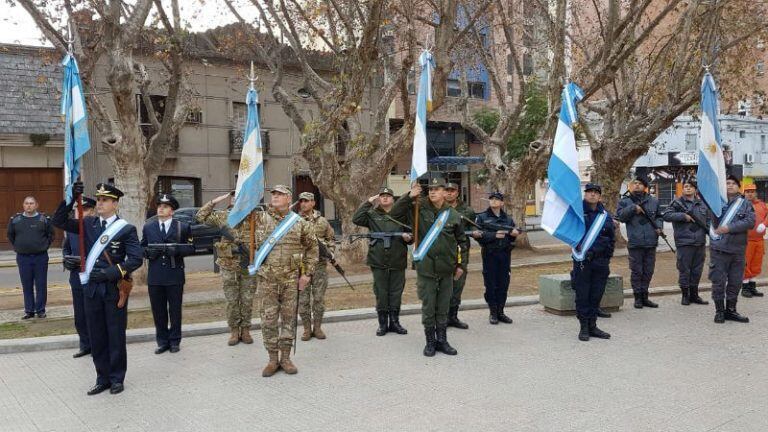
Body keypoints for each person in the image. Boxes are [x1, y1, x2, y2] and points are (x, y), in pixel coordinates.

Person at [53, 182, 143, 395]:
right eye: (99, 199)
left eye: (105, 200)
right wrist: (71, 200)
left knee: (115, 334)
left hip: (113, 289)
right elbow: (58, 221)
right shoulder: (88, 223)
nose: (100, 203)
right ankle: (102, 377)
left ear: (115, 203)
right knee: (97, 335)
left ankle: (117, 378)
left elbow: (136, 259)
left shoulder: (125, 229)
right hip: (91, 289)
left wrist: (109, 273)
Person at [390, 178, 468, 357]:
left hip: (447, 269)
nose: (432, 192)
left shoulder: (453, 214)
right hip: (426, 268)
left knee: (443, 305)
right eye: (430, 189)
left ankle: (442, 340)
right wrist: (409, 196)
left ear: (444, 192)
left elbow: (462, 242)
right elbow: (395, 214)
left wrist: (461, 265)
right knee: (429, 306)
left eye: (437, 189)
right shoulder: (418, 208)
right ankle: (430, 342)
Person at [252, 185, 318, 377]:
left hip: (291, 280)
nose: (275, 197)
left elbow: (313, 249)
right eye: (273, 194)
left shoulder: (300, 223)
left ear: (289, 199)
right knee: (268, 320)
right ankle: (273, 359)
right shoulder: (259, 218)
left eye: (279, 194)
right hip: (267, 280)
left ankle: (286, 358)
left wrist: (307, 275)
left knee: (289, 319)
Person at [195, 191, 258, 346]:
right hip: (229, 265)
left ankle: (246, 330)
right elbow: (200, 217)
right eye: (233, 197)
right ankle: (234, 331)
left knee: (247, 299)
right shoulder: (223, 216)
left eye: (241, 196)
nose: (236, 199)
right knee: (231, 300)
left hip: (248, 264)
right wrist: (214, 202)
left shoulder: (254, 217)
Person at [352, 187, 413, 336]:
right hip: (378, 259)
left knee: (396, 292)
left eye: (388, 196)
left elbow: (412, 233)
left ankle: (395, 322)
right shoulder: (372, 214)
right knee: (381, 292)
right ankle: (382, 324)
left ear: (393, 199)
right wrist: (368, 202)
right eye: (382, 196)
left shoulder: (402, 214)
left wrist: (409, 238)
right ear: (379, 198)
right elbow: (356, 218)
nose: (385, 198)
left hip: (397, 258)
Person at [141, 194, 195, 354]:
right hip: (155, 276)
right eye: (159, 206)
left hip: (174, 275)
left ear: (172, 210)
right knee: (158, 311)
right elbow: (141, 247)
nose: (161, 208)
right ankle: (162, 341)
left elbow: (191, 248)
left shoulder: (182, 227)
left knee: (175, 310)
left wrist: (177, 249)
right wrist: (148, 253)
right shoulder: (148, 227)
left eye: (165, 206)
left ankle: (175, 341)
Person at [570, 184, 615, 341]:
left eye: (596, 193)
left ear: (600, 197)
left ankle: (593, 326)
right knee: (583, 296)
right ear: (585, 195)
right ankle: (583, 327)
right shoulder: (576, 213)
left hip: (601, 262)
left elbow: (611, 238)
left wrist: (607, 256)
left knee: (596, 294)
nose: (593, 195)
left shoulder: (605, 216)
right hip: (583, 262)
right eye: (590, 192)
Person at [709, 175, 755, 324]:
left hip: (737, 251)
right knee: (718, 282)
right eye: (727, 183)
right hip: (719, 250)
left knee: (735, 282)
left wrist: (729, 227)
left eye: (733, 183)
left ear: (738, 186)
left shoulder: (745, 204)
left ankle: (731, 310)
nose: (730, 185)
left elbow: (750, 221)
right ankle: (719, 311)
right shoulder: (716, 203)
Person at [471, 191, 518, 324]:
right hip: (490, 254)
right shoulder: (482, 217)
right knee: (491, 284)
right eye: (491, 199)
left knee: (504, 284)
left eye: (497, 199)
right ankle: (493, 312)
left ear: (502, 202)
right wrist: (493, 236)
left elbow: (512, 235)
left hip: (504, 255)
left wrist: (514, 234)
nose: (493, 201)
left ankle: (501, 312)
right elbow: (477, 235)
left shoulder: (508, 219)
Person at [616, 176, 662, 309]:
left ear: (645, 186)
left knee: (648, 271)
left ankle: (645, 297)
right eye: (634, 183)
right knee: (637, 271)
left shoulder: (653, 201)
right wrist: (633, 209)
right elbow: (621, 217)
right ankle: (637, 298)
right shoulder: (625, 201)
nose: (637, 185)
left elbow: (659, 216)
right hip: (635, 242)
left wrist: (659, 227)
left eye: (640, 183)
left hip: (651, 242)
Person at [662, 180, 710, 305]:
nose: (688, 188)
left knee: (697, 270)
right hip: (684, 242)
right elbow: (666, 215)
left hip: (700, 242)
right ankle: (685, 295)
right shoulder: (677, 203)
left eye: (691, 187)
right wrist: (683, 216)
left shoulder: (702, 204)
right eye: (686, 187)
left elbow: (708, 221)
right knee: (684, 270)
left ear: (695, 190)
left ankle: (694, 295)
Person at [7, 196, 54, 319]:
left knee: (41, 285)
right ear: (23, 205)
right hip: (23, 258)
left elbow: (51, 235)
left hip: (40, 257)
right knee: (26, 285)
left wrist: (43, 246)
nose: (29, 206)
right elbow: (11, 235)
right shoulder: (15, 220)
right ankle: (29, 310)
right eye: (26, 203)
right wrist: (20, 246)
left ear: (36, 205)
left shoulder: (43, 219)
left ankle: (40, 310)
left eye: (31, 203)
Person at [297, 192, 335, 341]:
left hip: (319, 266)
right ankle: (306, 329)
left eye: (306, 201)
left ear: (313, 203)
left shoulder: (323, 222)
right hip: (302, 267)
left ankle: (317, 327)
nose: (303, 204)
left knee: (318, 298)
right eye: (301, 201)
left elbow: (331, 239)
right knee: (303, 300)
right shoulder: (295, 221)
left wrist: (329, 252)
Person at [62, 197, 96, 358]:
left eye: (86, 210)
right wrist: (67, 259)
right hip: (76, 276)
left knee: (94, 313)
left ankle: (97, 345)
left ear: (92, 211)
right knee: (80, 314)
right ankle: (85, 344)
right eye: (78, 210)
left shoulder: (96, 227)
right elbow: (66, 249)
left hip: (93, 277)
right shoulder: (71, 230)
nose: (81, 213)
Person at [444, 182, 474, 330]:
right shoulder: (437, 209)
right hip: (443, 252)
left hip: (461, 252)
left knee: (458, 283)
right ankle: (442, 317)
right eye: (447, 190)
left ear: (457, 193)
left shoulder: (467, 210)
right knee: (443, 285)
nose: (449, 193)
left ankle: (453, 316)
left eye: (452, 190)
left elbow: (473, 228)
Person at [742, 183, 767, 298]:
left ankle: (752, 287)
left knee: (756, 264)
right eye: (747, 192)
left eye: (752, 191)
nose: (750, 194)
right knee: (746, 264)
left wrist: (764, 224)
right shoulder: (741, 205)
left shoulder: (762, 205)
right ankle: (745, 288)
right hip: (746, 241)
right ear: (744, 193)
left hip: (759, 240)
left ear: (755, 192)